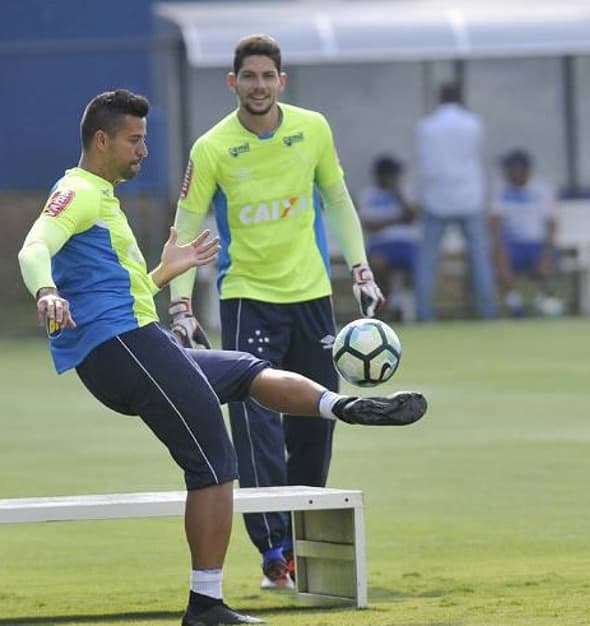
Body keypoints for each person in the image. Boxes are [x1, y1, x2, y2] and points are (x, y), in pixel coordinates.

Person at [16, 90, 427, 626]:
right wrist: (46, 291)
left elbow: (120, 289)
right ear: (102, 140)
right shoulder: (78, 190)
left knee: (244, 371)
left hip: (136, 340)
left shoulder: (102, 196)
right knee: (214, 463)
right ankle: (205, 605)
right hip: (120, 348)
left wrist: (167, 270)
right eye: (135, 140)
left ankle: (343, 408)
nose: (144, 151)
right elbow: (33, 247)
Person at [168, 34, 387, 590]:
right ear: (233, 83)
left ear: (281, 82)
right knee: (256, 425)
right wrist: (181, 301)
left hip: (312, 296)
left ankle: (308, 537)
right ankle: (274, 551)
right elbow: (187, 228)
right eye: (249, 77)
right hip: (247, 298)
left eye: (268, 77)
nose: (259, 86)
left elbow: (337, 200)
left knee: (318, 418)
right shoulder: (212, 147)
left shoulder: (312, 128)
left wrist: (359, 269)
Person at [414, 82, 498, 321]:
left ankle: (424, 314)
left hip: (436, 197)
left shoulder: (426, 127)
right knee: (480, 258)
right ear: (461, 97)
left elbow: (425, 164)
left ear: (439, 98)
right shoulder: (473, 123)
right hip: (469, 196)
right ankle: (488, 311)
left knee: (428, 260)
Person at [489, 149, 563, 317]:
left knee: (547, 258)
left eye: (511, 169)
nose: (508, 173)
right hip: (512, 245)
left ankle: (545, 302)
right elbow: (494, 223)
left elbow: (552, 224)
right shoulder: (500, 190)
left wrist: (547, 250)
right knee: (499, 255)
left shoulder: (543, 190)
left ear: (522, 169)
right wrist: (497, 245)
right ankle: (515, 305)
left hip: (538, 243)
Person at [357, 155, 419, 321]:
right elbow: (369, 224)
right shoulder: (368, 195)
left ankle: (407, 310)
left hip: (406, 244)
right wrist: (398, 218)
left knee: (417, 266)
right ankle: (386, 309)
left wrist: (398, 194)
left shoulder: (403, 192)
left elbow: (412, 216)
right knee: (378, 266)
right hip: (381, 245)